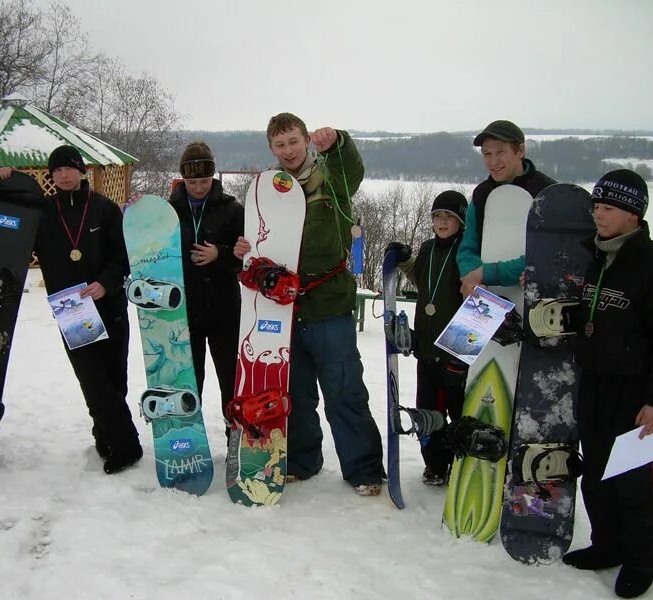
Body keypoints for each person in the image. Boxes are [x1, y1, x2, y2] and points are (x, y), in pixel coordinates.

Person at [233, 113, 384, 497]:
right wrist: (246, 250)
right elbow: (259, 240)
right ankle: (301, 459)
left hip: (329, 302)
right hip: (283, 310)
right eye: (279, 145)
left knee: (344, 388)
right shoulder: (267, 190)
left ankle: (363, 467)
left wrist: (338, 143)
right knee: (294, 392)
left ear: (306, 141)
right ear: (271, 148)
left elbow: (351, 167)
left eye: (294, 142)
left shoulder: (332, 180)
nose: (288, 151)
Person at [562, 169, 653, 599]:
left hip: (635, 393)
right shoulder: (594, 258)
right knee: (595, 473)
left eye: (608, 208)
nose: (598, 215)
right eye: (596, 206)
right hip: (594, 382)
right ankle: (608, 544)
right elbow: (592, 318)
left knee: (635, 478)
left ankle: (642, 558)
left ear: (634, 214)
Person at [0, 146, 141, 474]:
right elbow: (8, 223)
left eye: (70, 168)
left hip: (109, 305)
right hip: (73, 310)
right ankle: (126, 446)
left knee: (115, 378)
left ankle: (105, 434)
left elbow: (124, 256)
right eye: (57, 170)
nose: (64, 175)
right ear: (51, 176)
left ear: (81, 171)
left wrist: (105, 282)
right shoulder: (42, 214)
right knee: (93, 379)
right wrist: (4, 180)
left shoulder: (104, 209)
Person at [393, 191, 469, 486]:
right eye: (437, 216)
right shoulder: (427, 248)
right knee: (428, 411)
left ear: (461, 221)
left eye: (448, 216)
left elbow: (478, 306)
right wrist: (402, 260)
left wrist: (460, 358)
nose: (442, 222)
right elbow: (419, 276)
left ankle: (464, 465)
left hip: (456, 355)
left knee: (459, 412)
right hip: (427, 349)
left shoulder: (467, 252)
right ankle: (436, 464)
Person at [169, 141, 243, 434]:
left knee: (230, 379)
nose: (198, 187)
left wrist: (220, 254)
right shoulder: (170, 211)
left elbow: (244, 259)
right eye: (191, 181)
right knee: (189, 379)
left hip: (224, 309)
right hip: (185, 310)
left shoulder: (232, 209)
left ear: (213, 177)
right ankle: (188, 437)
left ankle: (234, 437)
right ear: (182, 179)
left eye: (204, 180)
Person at [457, 120, 556, 296]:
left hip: (537, 304)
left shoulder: (547, 192)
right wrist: (472, 277)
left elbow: (550, 253)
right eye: (487, 154)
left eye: (501, 152)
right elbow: (467, 248)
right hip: (488, 299)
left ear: (521, 151)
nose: (493, 161)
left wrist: (487, 273)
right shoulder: (481, 195)